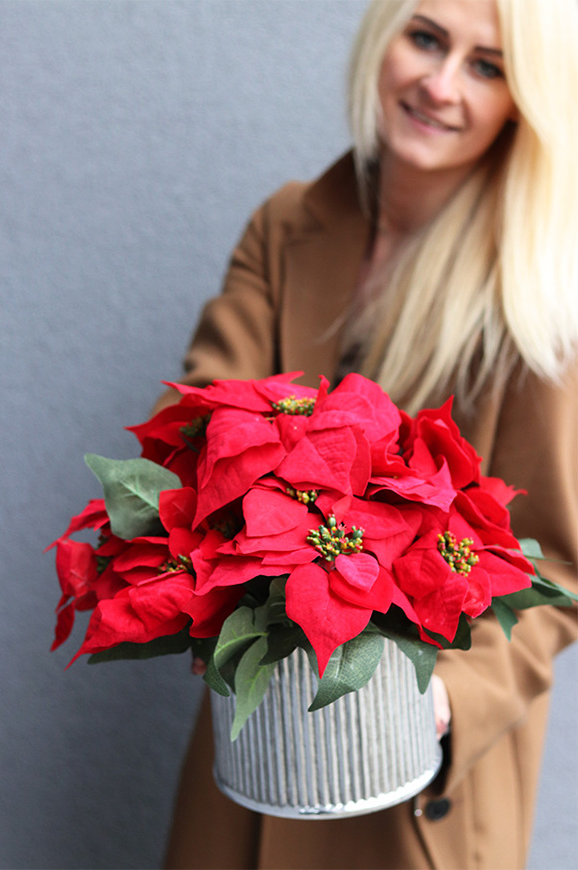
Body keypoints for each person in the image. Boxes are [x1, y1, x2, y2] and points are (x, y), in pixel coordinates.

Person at [156, 1, 578, 867]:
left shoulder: (537, 298)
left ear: (521, 101)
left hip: (413, 780)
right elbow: (201, 424)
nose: (440, 83)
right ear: (381, 41)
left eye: (487, 65)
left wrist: (444, 695)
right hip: (260, 746)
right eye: (426, 38)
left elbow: (558, 564)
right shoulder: (287, 225)